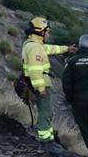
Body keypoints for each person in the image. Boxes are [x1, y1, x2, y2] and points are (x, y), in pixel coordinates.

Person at [20, 16, 75, 144]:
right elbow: (35, 70)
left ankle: (49, 138)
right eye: (47, 31)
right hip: (41, 84)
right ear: (41, 31)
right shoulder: (35, 47)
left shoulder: (35, 45)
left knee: (47, 111)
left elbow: (50, 49)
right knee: (45, 112)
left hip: (40, 83)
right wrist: (41, 88)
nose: (48, 34)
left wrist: (66, 48)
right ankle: (46, 141)